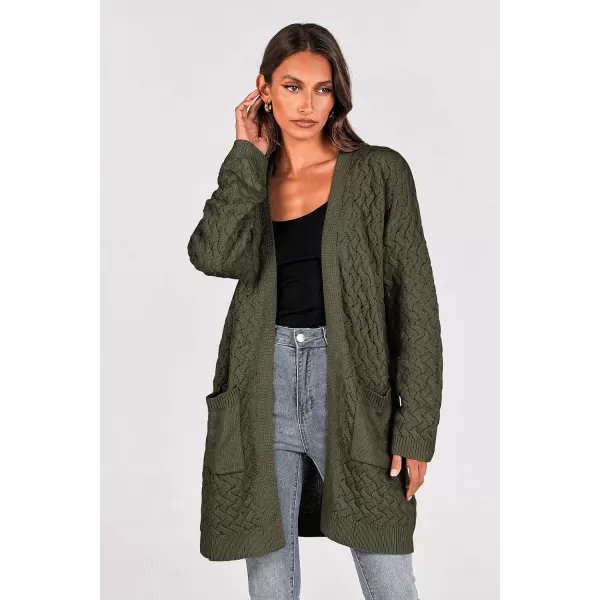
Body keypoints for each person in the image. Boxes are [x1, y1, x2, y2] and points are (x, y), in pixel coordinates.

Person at [187, 22, 443, 600]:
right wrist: (245, 156)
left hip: (354, 386)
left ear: (338, 95)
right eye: (292, 86)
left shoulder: (381, 172)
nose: (307, 104)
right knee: (270, 582)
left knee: (390, 578)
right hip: (263, 383)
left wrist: (416, 428)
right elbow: (212, 255)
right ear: (263, 90)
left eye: (322, 89)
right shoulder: (253, 179)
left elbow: (416, 305)